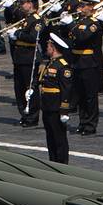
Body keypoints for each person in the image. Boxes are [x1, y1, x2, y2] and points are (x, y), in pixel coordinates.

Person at [35, 35, 74, 163]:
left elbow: (66, 90)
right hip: (47, 105)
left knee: (59, 138)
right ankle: (53, 162)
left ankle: (61, 164)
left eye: (48, 46)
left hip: (56, 107)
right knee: (50, 138)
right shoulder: (50, 63)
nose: (46, 48)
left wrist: (64, 110)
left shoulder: (63, 66)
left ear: (53, 48)